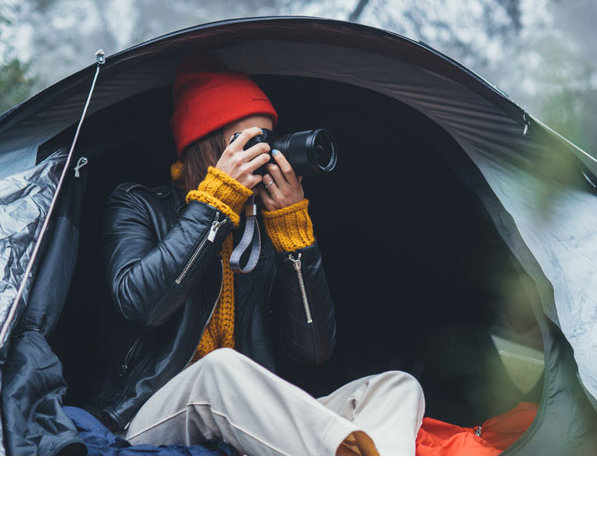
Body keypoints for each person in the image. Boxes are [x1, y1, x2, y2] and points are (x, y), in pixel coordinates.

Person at [91, 50, 425, 456]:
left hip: (244, 415)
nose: (265, 155)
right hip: (148, 413)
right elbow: (141, 304)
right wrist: (214, 205)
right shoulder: (137, 204)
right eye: (251, 142)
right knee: (219, 367)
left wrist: (293, 234)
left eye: (268, 140)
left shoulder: (260, 226)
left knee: (396, 387)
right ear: (208, 147)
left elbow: (313, 349)